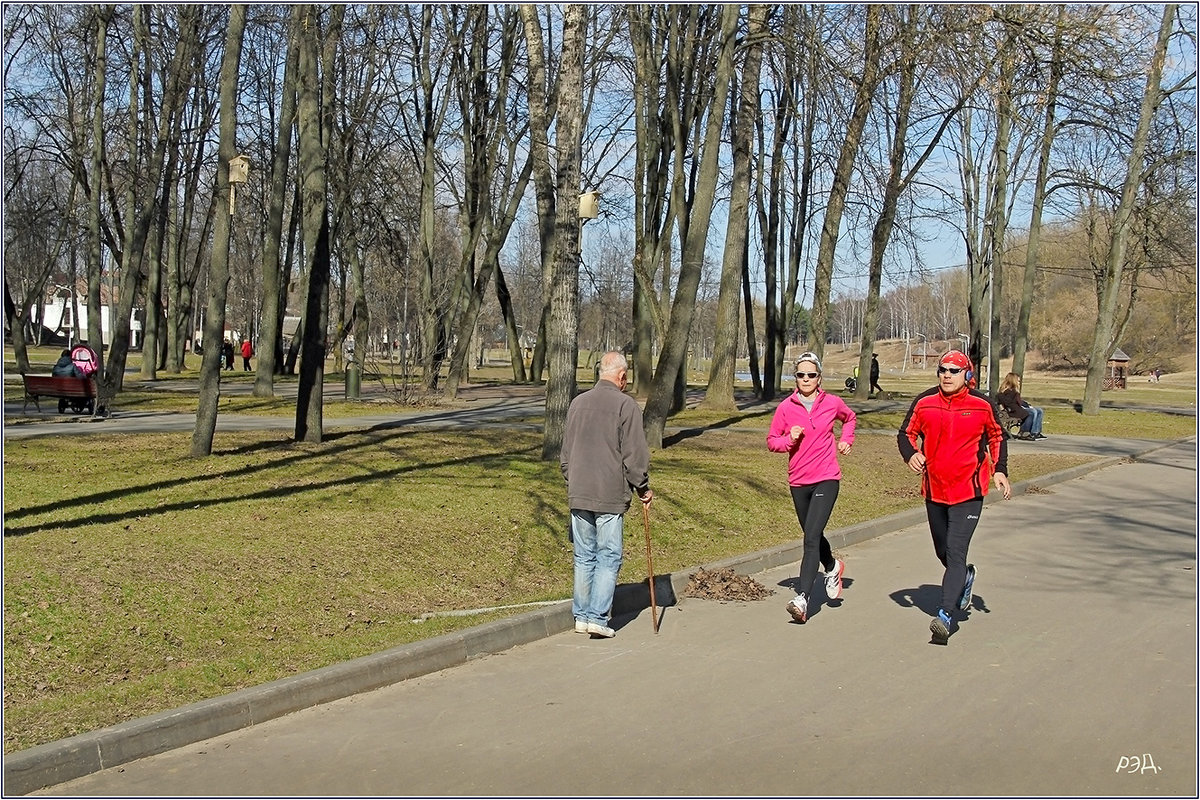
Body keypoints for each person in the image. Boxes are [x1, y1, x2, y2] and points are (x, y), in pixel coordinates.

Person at [897, 350, 1011, 645]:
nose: (946, 375)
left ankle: (946, 615)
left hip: (969, 491)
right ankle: (965, 578)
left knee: (956, 551)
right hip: (935, 490)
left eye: (954, 371)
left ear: (967, 376)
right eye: (942, 370)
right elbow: (905, 434)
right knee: (943, 552)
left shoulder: (981, 405)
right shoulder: (924, 402)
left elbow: (997, 437)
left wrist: (999, 470)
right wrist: (911, 454)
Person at [560, 350, 653, 639]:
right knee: (608, 556)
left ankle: (582, 615)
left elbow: (565, 453)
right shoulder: (626, 406)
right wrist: (643, 487)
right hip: (609, 493)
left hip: (579, 490)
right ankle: (598, 617)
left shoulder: (578, 403)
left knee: (584, 555)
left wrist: (572, 476)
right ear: (622, 377)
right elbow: (634, 455)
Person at [767, 352, 856, 624]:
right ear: (795, 378)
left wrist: (846, 440)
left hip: (827, 477)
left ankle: (802, 598)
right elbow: (772, 441)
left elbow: (850, 418)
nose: (806, 379)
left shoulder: (832, 403)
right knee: (812, 534)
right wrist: (789, 441)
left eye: (811, 374)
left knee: (810, 539)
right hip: (798, 480)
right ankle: (831, 565)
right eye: (801, 375)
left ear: (819, 378)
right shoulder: (786, 408)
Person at [996, 372, 1046, 441]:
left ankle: (1035, 432)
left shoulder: (1013, 391)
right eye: (1018, 381)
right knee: (1032, 412)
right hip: (1012, 412)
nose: (1019, 383)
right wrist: (1024, 407)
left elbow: (1019, 401)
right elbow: (1010, 404)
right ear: (1013, 381)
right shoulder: (1007, 392)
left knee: (1039, 410)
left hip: (1018, 408)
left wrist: (1027, 405)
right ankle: (1024, 432)